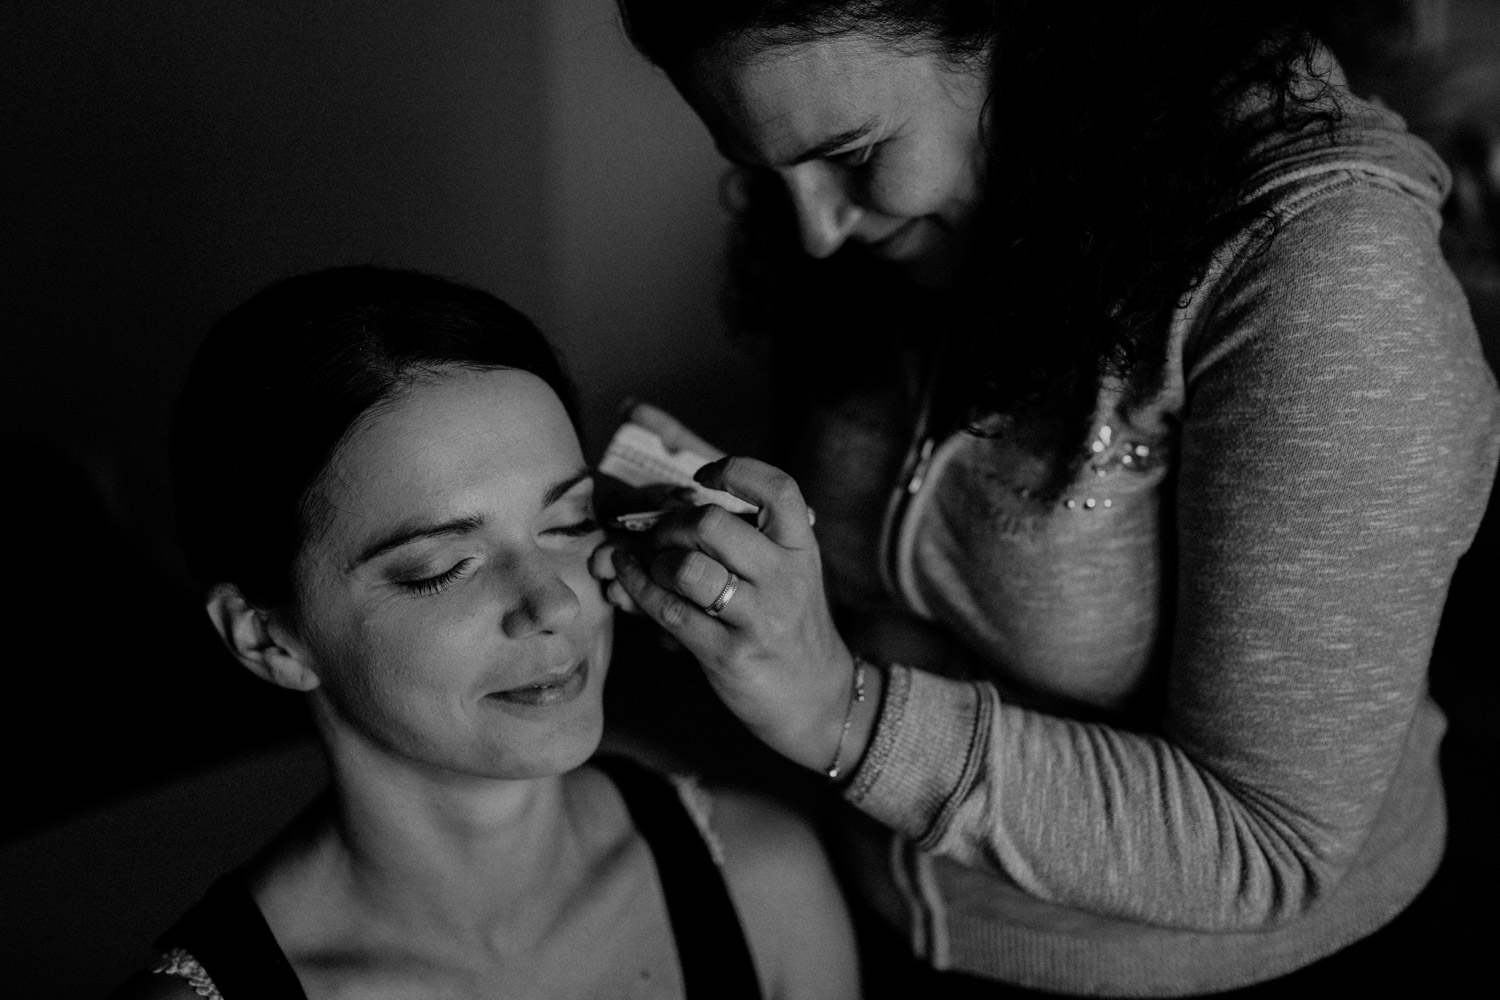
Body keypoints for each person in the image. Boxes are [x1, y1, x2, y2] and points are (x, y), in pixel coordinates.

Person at [593, 1, 1500, 996]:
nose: (814, 232)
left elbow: (1269, 843)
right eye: (769, 173)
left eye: (851, 155)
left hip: (1217, 976)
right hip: (883, 912)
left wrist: (837, 713)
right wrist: (740, 589)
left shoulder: (1331, 277)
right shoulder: (938, 218)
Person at [111, 266, 859, 1000]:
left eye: (568, 523)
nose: (553, 603)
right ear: (266, 639)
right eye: (441, 569)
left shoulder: (766, 885)